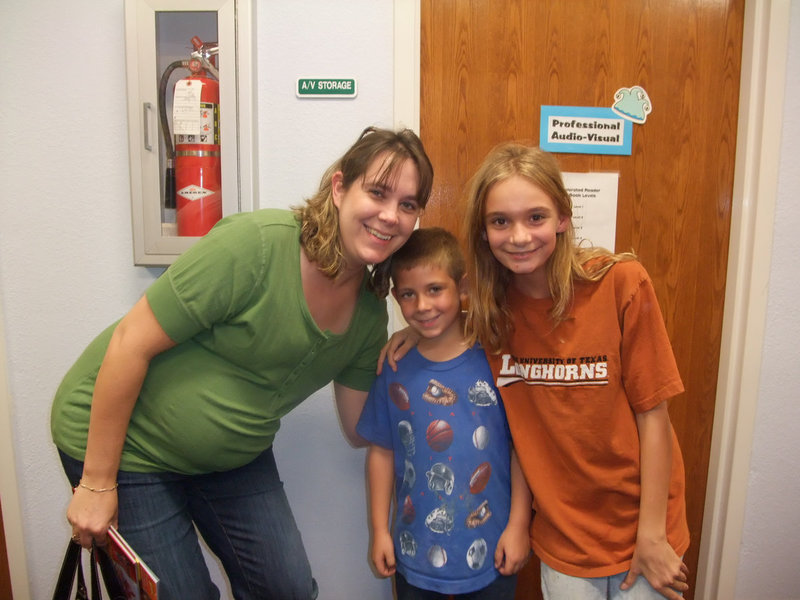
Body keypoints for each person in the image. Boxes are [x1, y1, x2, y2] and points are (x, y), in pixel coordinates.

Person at [50, 126, 434, 600]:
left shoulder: (370, 313)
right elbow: (130, 342)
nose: (390, 215)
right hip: (130, 447)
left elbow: (360, 429)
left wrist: (426, 337)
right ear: (339, 188)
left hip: (231, 454)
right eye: (377, 192)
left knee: (288, 590)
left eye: (409, 204)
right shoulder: (256, 245)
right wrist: (96, 483)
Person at [382, 143, 691, 600]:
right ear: (484, 232)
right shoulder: (494, 311)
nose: (519, 236)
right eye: (500, 221)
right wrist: (414, 335)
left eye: (536, 217)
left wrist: (651, 536)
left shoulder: (620, 283)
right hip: (563, 537)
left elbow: (654, 417)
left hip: (644, 529)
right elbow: (444, 313)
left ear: (563, 218)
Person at [357, 227, 532, 600]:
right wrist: (379, 531)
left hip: (492, 548)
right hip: (414, 550)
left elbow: (523, 449)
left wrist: (520, 525)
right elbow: (382, 452)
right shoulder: (394, 365)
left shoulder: (497, 357)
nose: (422, 305)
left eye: (435, 289)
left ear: (462, 288)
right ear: (395, 298)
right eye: (408, 294)